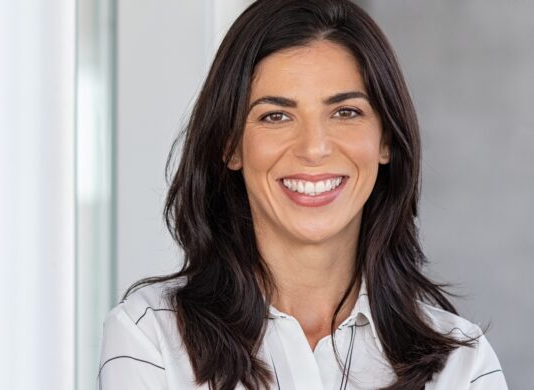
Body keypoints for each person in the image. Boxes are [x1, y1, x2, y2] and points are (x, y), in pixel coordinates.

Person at [98, 0, 508, 389]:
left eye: (345, 112)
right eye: (275, 116)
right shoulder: (149, 338)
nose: (314, 148)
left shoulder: (462, 363)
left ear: (385, 140)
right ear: (231, 146)